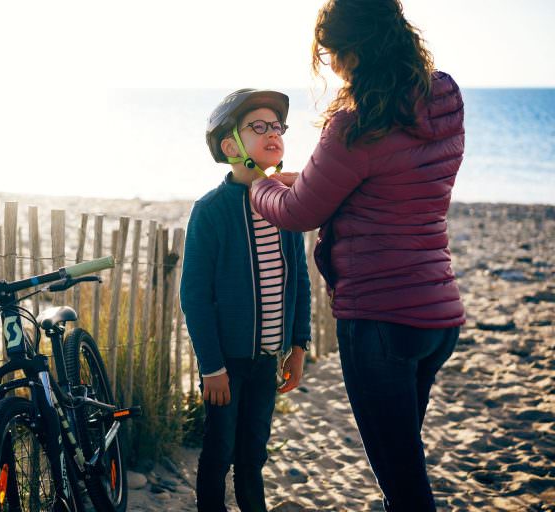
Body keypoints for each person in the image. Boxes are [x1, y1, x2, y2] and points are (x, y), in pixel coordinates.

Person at [249, 1, 464, 510]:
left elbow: (300, 213)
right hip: (437, 317)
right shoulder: (445, 94)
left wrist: (260, 187)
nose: (332, 65)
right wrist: (308, 177)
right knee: (405, 462)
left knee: (405, 486)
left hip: (380, 321)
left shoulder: (355, 123)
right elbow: (393, 177)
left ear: (352, 51)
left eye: (331, 54)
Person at [180, 89, 312, 512]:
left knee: (254, 453)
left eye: (277, 126)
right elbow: (194, 297)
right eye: (259, 126)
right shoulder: (212, 210)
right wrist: (211, 368)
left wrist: (298, 346)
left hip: (268, 359)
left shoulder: (287, 205)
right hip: (227, 364)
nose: (273, 133)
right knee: (219, 451)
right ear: (230, 146)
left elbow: (301, 281)